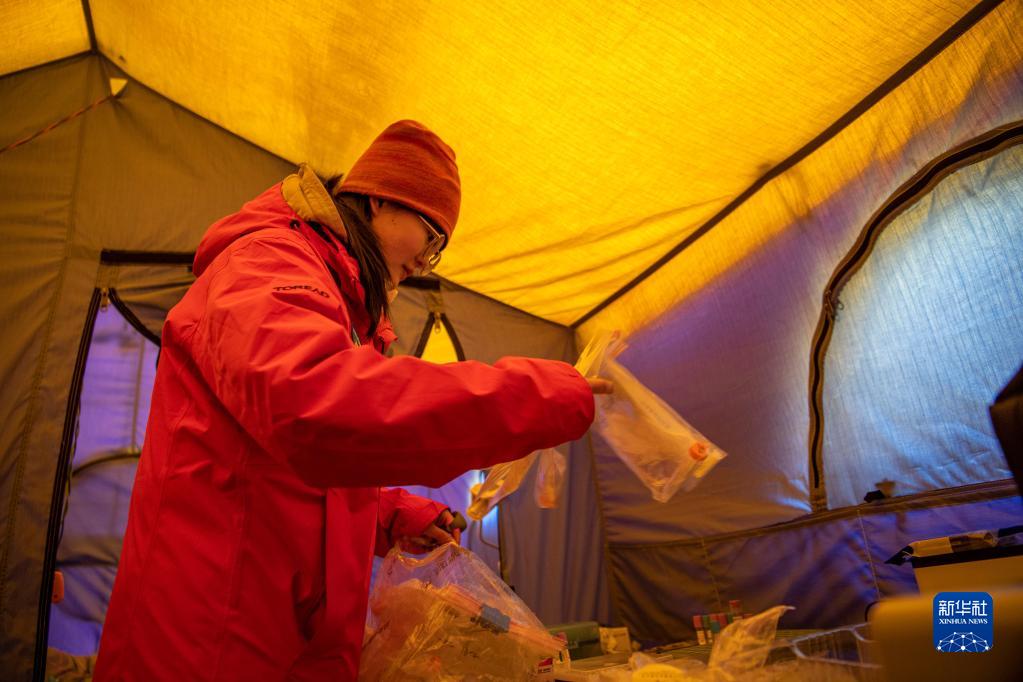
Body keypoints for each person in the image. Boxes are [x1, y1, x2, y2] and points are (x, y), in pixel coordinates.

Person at [93, 120, 610, 681]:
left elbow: (283, 471)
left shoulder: (340, 301)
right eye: (431, 236)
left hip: (279, 638)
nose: (426, 262)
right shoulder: (267, 262)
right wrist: (535, 396)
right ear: (381, 198)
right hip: (210, 643)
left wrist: (393, 515)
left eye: (438, 252)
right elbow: (317, 411)